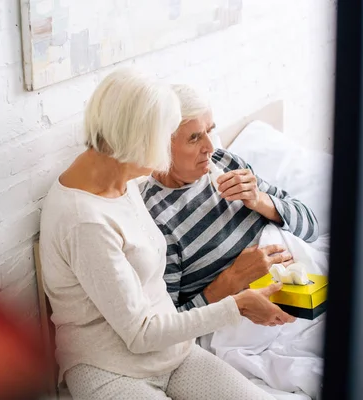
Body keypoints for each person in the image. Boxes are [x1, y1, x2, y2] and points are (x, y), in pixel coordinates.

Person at [39, 68, 293, 400]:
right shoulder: (84, 221)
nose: (167, 150)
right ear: (135, 140)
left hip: (173, 352)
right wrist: (237, 306)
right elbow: (140, 333)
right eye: (166, 137)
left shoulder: (119, 177)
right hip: (110, 370)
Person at [140, 84, 319, 318]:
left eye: (209, 131)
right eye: (194, 138)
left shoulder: (225, 162)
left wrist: (260, 200)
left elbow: (311, 227)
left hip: (308, 292)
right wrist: (233, 280)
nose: (210, 147)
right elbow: (170, 325)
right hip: (247, 323)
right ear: (161, 145)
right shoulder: (155, 218)